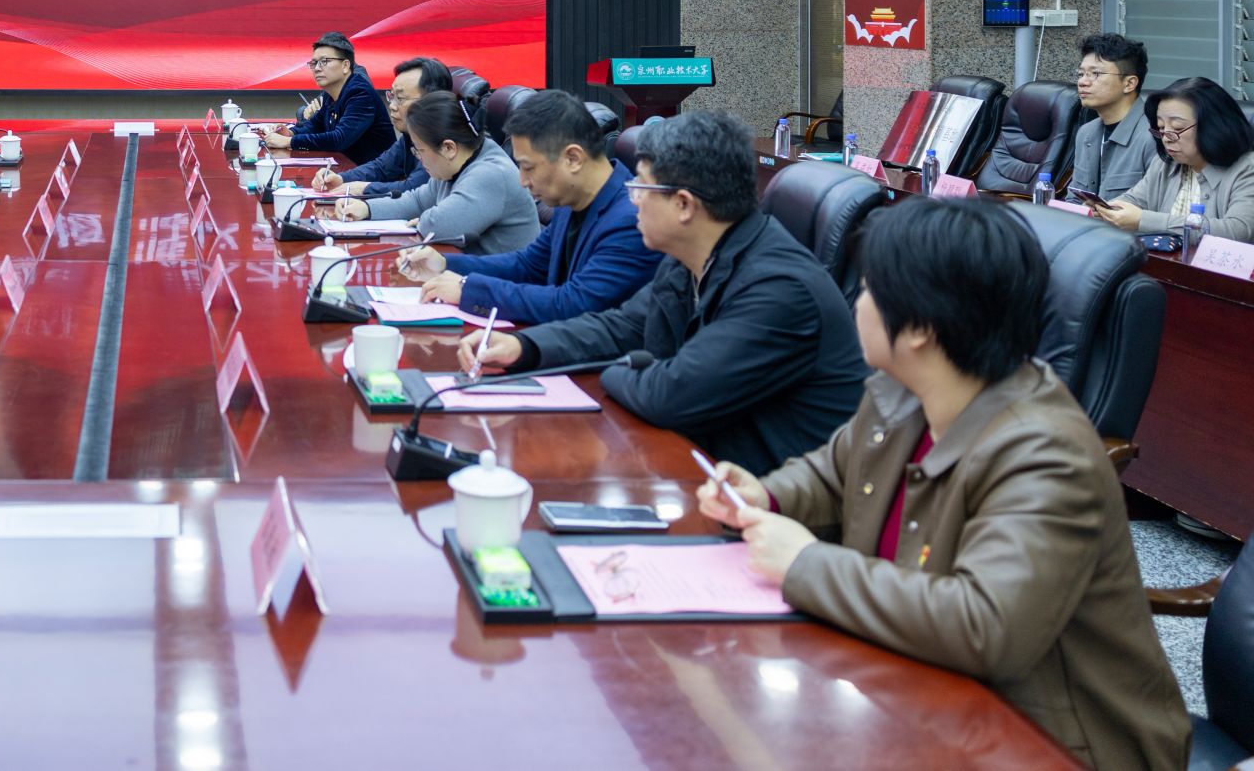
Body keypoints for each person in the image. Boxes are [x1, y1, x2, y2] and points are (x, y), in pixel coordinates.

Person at [697, 199, 1188, 770]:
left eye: (869, 290)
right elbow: (833, 474)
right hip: (922, 691)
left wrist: (805, 565)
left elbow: (986, 627)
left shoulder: (1046, 455)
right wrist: (767, 495)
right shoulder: (904, 390)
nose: (856, 303)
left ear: (922, 330)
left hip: (1054, 743)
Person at [461, 111, 866, 473]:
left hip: (770, 503)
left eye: (642, 186)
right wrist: (526, 346)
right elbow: (622, 327)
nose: (632, 198)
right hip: (702, 464)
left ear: (684, 205)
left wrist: (616, 369)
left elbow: (671, 395)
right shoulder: (691, 256)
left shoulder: (779, 290)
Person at [397, 89, 658, 324]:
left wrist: (468, 289)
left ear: (573, 158)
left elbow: (574, 303)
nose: (522, 181)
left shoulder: (631, 221)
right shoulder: (573, 200)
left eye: (529, 168)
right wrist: (445, 263)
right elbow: (528, 265)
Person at [331, 92, 539, 254]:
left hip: (501, 286)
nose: (418, 158)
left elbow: (440, 225)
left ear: (448, 148)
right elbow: (417, 201)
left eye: (420, 150)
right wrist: (366, 208)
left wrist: (424, 220)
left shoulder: (490, 174)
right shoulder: (455, 164)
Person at [1095, 73, 1254, 240]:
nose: (1166, 138)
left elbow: (1238, 230)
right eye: (1161, 127)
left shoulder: (1247, 168)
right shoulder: (1166, 162)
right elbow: (1135, 199)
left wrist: (1144, 220)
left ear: (1214, 126)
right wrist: (1105, 210)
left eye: (1177, 128)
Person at [311, 57, 450, 199]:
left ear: (432, 100)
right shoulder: (410, 136)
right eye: (392, 96)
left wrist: (364, 188)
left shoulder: (442, 141)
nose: (392, 106)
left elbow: (414, 189)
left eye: (400, 98)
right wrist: (341, 178)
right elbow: (381, 167)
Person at [262, 32, 395, 166]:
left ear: (345, 66)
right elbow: (315, 125)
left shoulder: (360, 93)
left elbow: (339, 139)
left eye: (324, 61)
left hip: (377, 174)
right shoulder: (330, 93)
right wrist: (291, 133)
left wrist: (289, 142)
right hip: (348, 168)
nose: (317, 68)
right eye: (314, 63)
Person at [1067, 33, 1151, 202]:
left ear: (1129, 84)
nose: (1082, 82)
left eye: (1095, 74)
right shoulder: (1086, 133)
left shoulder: (1152, 137)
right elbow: (1075, 199)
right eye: (1081, 74)